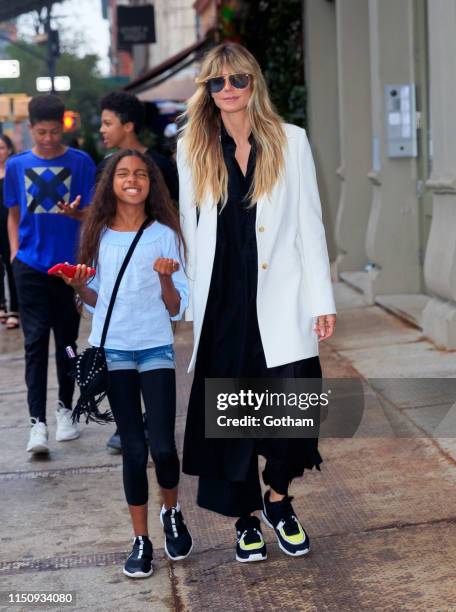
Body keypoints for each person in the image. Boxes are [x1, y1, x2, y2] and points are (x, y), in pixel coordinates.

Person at [177, 43, 337, 563]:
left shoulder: (291, 141)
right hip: (222, 304)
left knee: (295, 412)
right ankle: (245, 520)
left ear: (254, 83)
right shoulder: (191, 146)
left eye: (237, 80)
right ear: (207, 89)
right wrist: (189, 307)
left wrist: (321, 298)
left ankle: (278, 500)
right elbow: (189, 231)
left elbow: (310, 225)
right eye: (217, 82)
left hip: (282, 299)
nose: (228, 90)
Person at [59, 149, 192, 578]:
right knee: (133, 451)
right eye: (123, 174)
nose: (132, 180)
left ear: (152, 183)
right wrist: (80, 287)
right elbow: (97, 302)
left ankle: (170, 512)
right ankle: (141, 540)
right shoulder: (97, 234)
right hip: (113, 351)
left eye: (141, 174)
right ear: (110, 183)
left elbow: (175, 309)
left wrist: (166, 277)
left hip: (155, 348)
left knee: (164, 446)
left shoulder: (166, 234)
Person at [4, 94, 96, 454]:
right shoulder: (16, 165)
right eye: (41, 132)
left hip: (69, 269)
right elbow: (12, 213)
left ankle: (65, 410)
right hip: (29, 265)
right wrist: (15, 254)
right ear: (30, 130)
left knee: (69, 345)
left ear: (64, 126)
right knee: (35, 343)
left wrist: (77, 216)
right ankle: (36, 423)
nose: (48, 139)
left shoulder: (81, 162)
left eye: (55, 132)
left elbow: (92, 214)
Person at [98, 91, 180, 453]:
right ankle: (130, 424)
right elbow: (102, 216)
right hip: (122, 278)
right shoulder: (106, 168)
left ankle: (152, 421)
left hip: (160, 262)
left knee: (157, 342)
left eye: (107, 123)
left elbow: (176, 209)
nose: (101, 130)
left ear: (128, 126)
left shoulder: (162, 165)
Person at [0, 134, 19, 329]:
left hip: (9, 224)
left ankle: (14, 309)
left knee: (11, 265)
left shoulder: (13, 173)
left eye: (2, 148)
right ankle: (2, 306)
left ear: (9, 150)